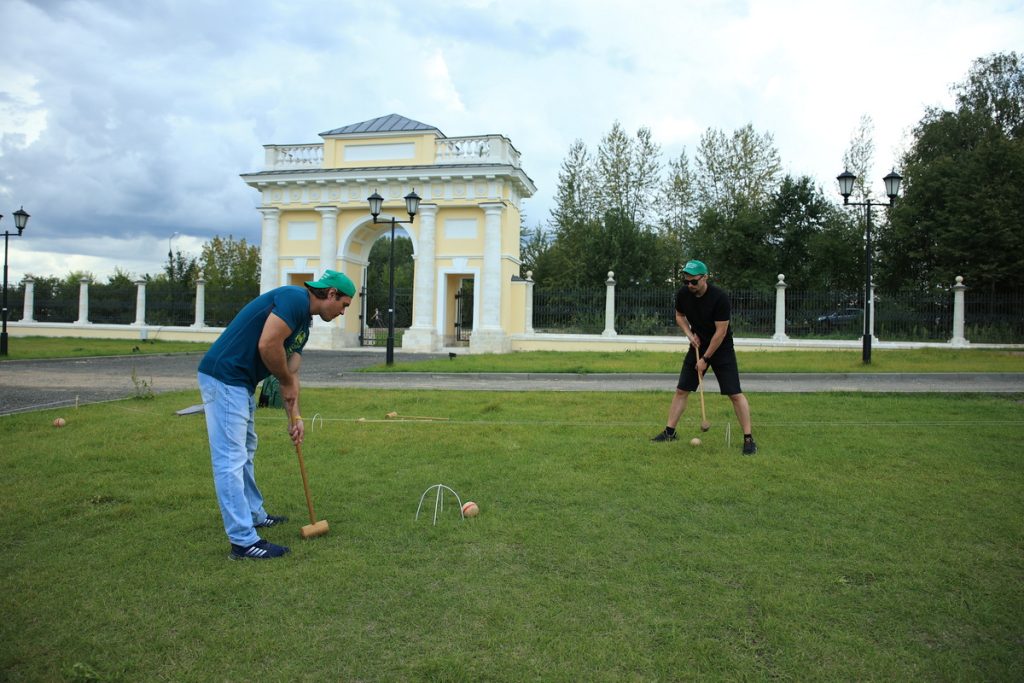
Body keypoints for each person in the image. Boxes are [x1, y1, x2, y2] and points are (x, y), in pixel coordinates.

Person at [197, 270, 355, 559]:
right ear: (331, 294)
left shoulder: (304, 324)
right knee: (230, 459)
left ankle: (255, 514)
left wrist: (295, 418)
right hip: (224, 376)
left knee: (246, 449)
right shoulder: (294, 298)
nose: (343, 312)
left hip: (239, 382)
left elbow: (291, 372)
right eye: (344, 305)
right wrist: (283, 380)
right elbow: (268, 345)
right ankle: (244, 542)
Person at [651, 259, 757, 455]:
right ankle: (669, 432)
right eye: (686, 282)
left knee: (734, 393)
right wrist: (690, 336)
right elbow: (679, 316)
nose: (689, 285)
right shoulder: (683, 294)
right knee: (682, 389)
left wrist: (706, 359)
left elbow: (721, 332)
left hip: (721, 348)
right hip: (698, 346)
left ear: (705, 278)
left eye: (694, 282)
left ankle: (748, 439)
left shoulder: (719, 298)